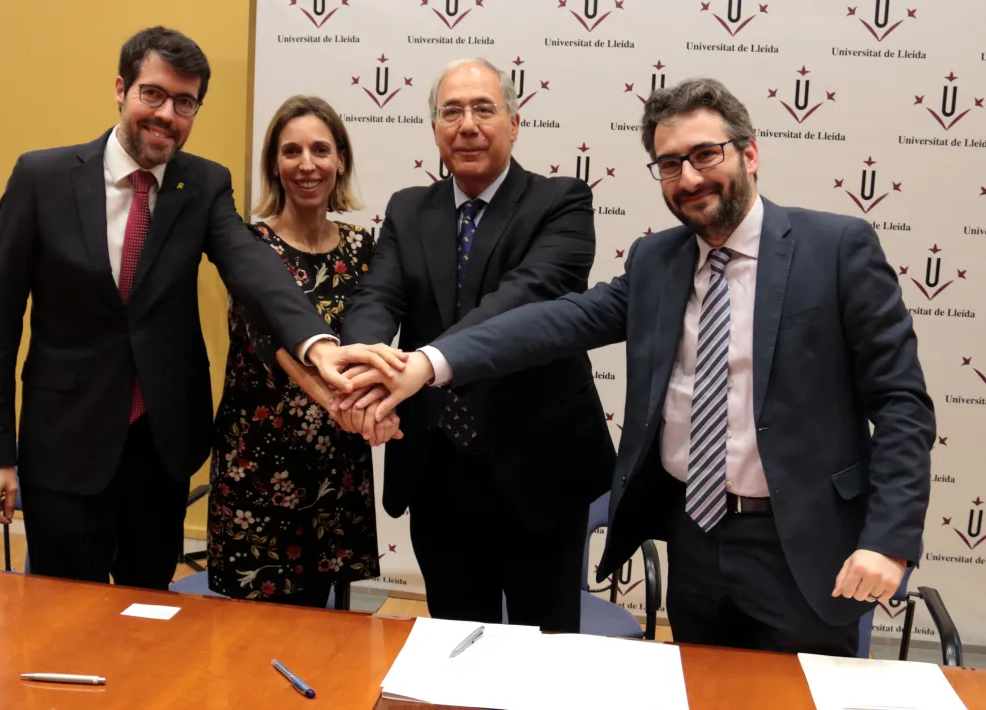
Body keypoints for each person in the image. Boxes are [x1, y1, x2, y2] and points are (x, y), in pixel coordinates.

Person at [350, 77, 935, 656]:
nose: (690, 178)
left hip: (800, 544)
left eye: (706, 155)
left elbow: (901, 403)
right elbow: (557, 321)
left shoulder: (836, 248)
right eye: (669, 164)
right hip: (695, 540)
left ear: (750, 152)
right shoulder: (658, 259)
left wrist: (888, 540)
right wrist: (429, 363)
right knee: (700, 694)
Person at [0, 27, 402, 590]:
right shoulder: (41, 178)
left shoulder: (202, 184)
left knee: (149, 613)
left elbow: (253, 269)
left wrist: (317, 343)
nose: (167, 114)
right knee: (62, 614)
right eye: (154, 94)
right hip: (65, 444)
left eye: (185, 102)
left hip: (161, 448)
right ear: (121, 89)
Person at [331, 57, 615, 633]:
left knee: (546, 648)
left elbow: (525, 299)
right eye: (451, 112)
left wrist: (423, 365)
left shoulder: (561, 201)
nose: (467, 124)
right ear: (435, 129)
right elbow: (377, 298)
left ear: (514, 123)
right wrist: (362, 366)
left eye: (483, 109)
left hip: (539, 470)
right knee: (454, 643)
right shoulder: (410, 208)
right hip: (438, 473)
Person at [206, 96, 398, 606]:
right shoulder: (248, 245)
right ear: (274, 163)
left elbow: (371, 340)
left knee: (329, 631)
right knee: (258, 635)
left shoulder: (364, 247)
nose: (307, 164)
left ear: (340, 161)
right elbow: (269, 341)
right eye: (291, 151)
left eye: (320, 150)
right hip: (260, 468)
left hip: (338, 465)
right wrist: (338, 398)